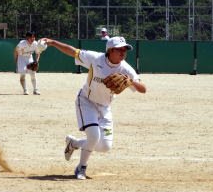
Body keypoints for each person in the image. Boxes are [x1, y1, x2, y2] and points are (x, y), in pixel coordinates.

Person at [42, 36, 146, 180]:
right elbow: (72, 51)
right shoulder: (95, 59)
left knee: (105, 147)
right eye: (119, 49)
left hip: (105, 108)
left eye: (125, 49)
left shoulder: (126, 69)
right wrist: (53, 43)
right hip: (86, 101)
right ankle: (81, 168)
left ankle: (74, 143)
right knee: (94, 136)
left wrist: (130, 82)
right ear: (110, 50)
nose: (123, 52)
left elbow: (143, 89)